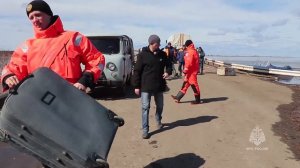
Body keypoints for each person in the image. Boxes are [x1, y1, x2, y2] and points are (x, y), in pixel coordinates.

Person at [1, 0, 105, 92]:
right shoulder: (27, 45)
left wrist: (84, 80)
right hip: (40, 99)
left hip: (71, 97)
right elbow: (13, 68)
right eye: (31, 18)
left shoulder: (73, 38)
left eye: (38, 15)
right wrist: (8, 76)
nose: (34, 20)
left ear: (49, 15)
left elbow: (96, 60)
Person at [132, 35, 172, 139]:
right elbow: (137, 71)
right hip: (145, 86)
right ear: (151, 43)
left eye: (159, 44)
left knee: (160, 106)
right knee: (145, 108)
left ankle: (158, 118)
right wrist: (136, 86)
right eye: (156, 44)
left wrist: (168, 72)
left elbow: (169, 65)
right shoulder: (142, 55)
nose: (158, 46)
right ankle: (145, 130)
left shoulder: (162, 54)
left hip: (159, 85)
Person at [171, 40, 201, 104]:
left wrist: (185, 71)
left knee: (194, 86)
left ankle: (197, 100)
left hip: (191, 72)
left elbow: (189, 63)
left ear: (187, 45)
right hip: (191, 72)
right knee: (185, 85)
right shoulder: (193, 51)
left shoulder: (190, 52)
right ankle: (178, 97)